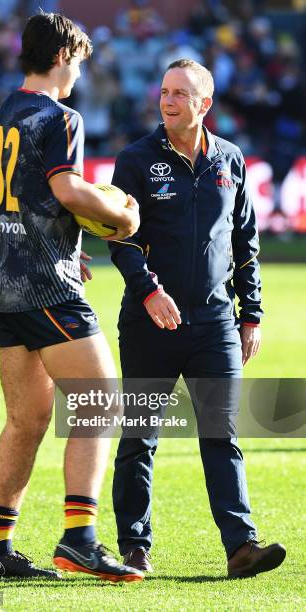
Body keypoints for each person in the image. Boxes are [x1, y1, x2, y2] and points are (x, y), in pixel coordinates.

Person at [0, 12, 143, 583]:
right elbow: (69, 189)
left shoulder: (4, 113)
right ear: (65, 54)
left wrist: (56, 239)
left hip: (4, 284)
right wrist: (119, 216)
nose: (78, 76)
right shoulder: (59, 115)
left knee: (26, 420)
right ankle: (80, 540)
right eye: (79, 63)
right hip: (48, 289)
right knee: (101, 404)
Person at [109, 59, 286, 578]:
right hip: (149, 323)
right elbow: (119, 239)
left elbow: (245, 242)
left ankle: (241, 548)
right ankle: (134, 547)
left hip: (215, 324)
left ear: (204, 104)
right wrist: (148, 292)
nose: (167, 101)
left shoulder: (231, 160)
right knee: (140, 435)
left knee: (221, 434)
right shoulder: (136, 159)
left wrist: (250, 314)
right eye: (164, 91)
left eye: (180, 94)